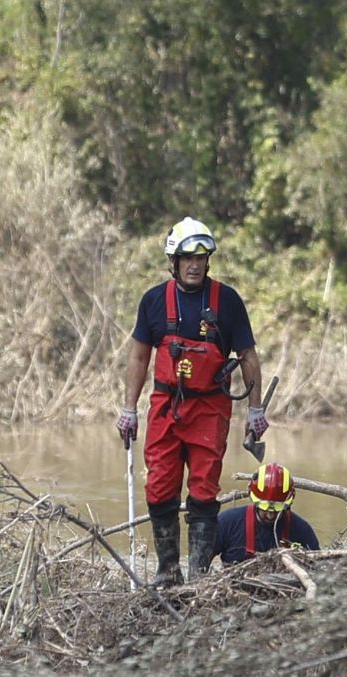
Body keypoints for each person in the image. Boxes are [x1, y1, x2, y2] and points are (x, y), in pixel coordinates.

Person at [117, 216, 267, 586]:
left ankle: (199, 577)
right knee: (160, 487)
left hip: (210, 410)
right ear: (174, 261)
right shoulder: (153, 301)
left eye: (202, 257)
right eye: (187, 258)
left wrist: (256, 410)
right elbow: (138, 358)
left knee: (203, 489)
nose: (195, 264)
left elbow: (247, 356)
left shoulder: (227, 302)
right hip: (166, 409)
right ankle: (168, 574)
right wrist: (128, 410)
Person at [213, 462, 320, 566]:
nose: (270, 516)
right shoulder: (227, 523)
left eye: (277, 510)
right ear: (253, 498)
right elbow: (200, 559)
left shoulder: (301, 530)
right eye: (264, 509)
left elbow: (318, 567)